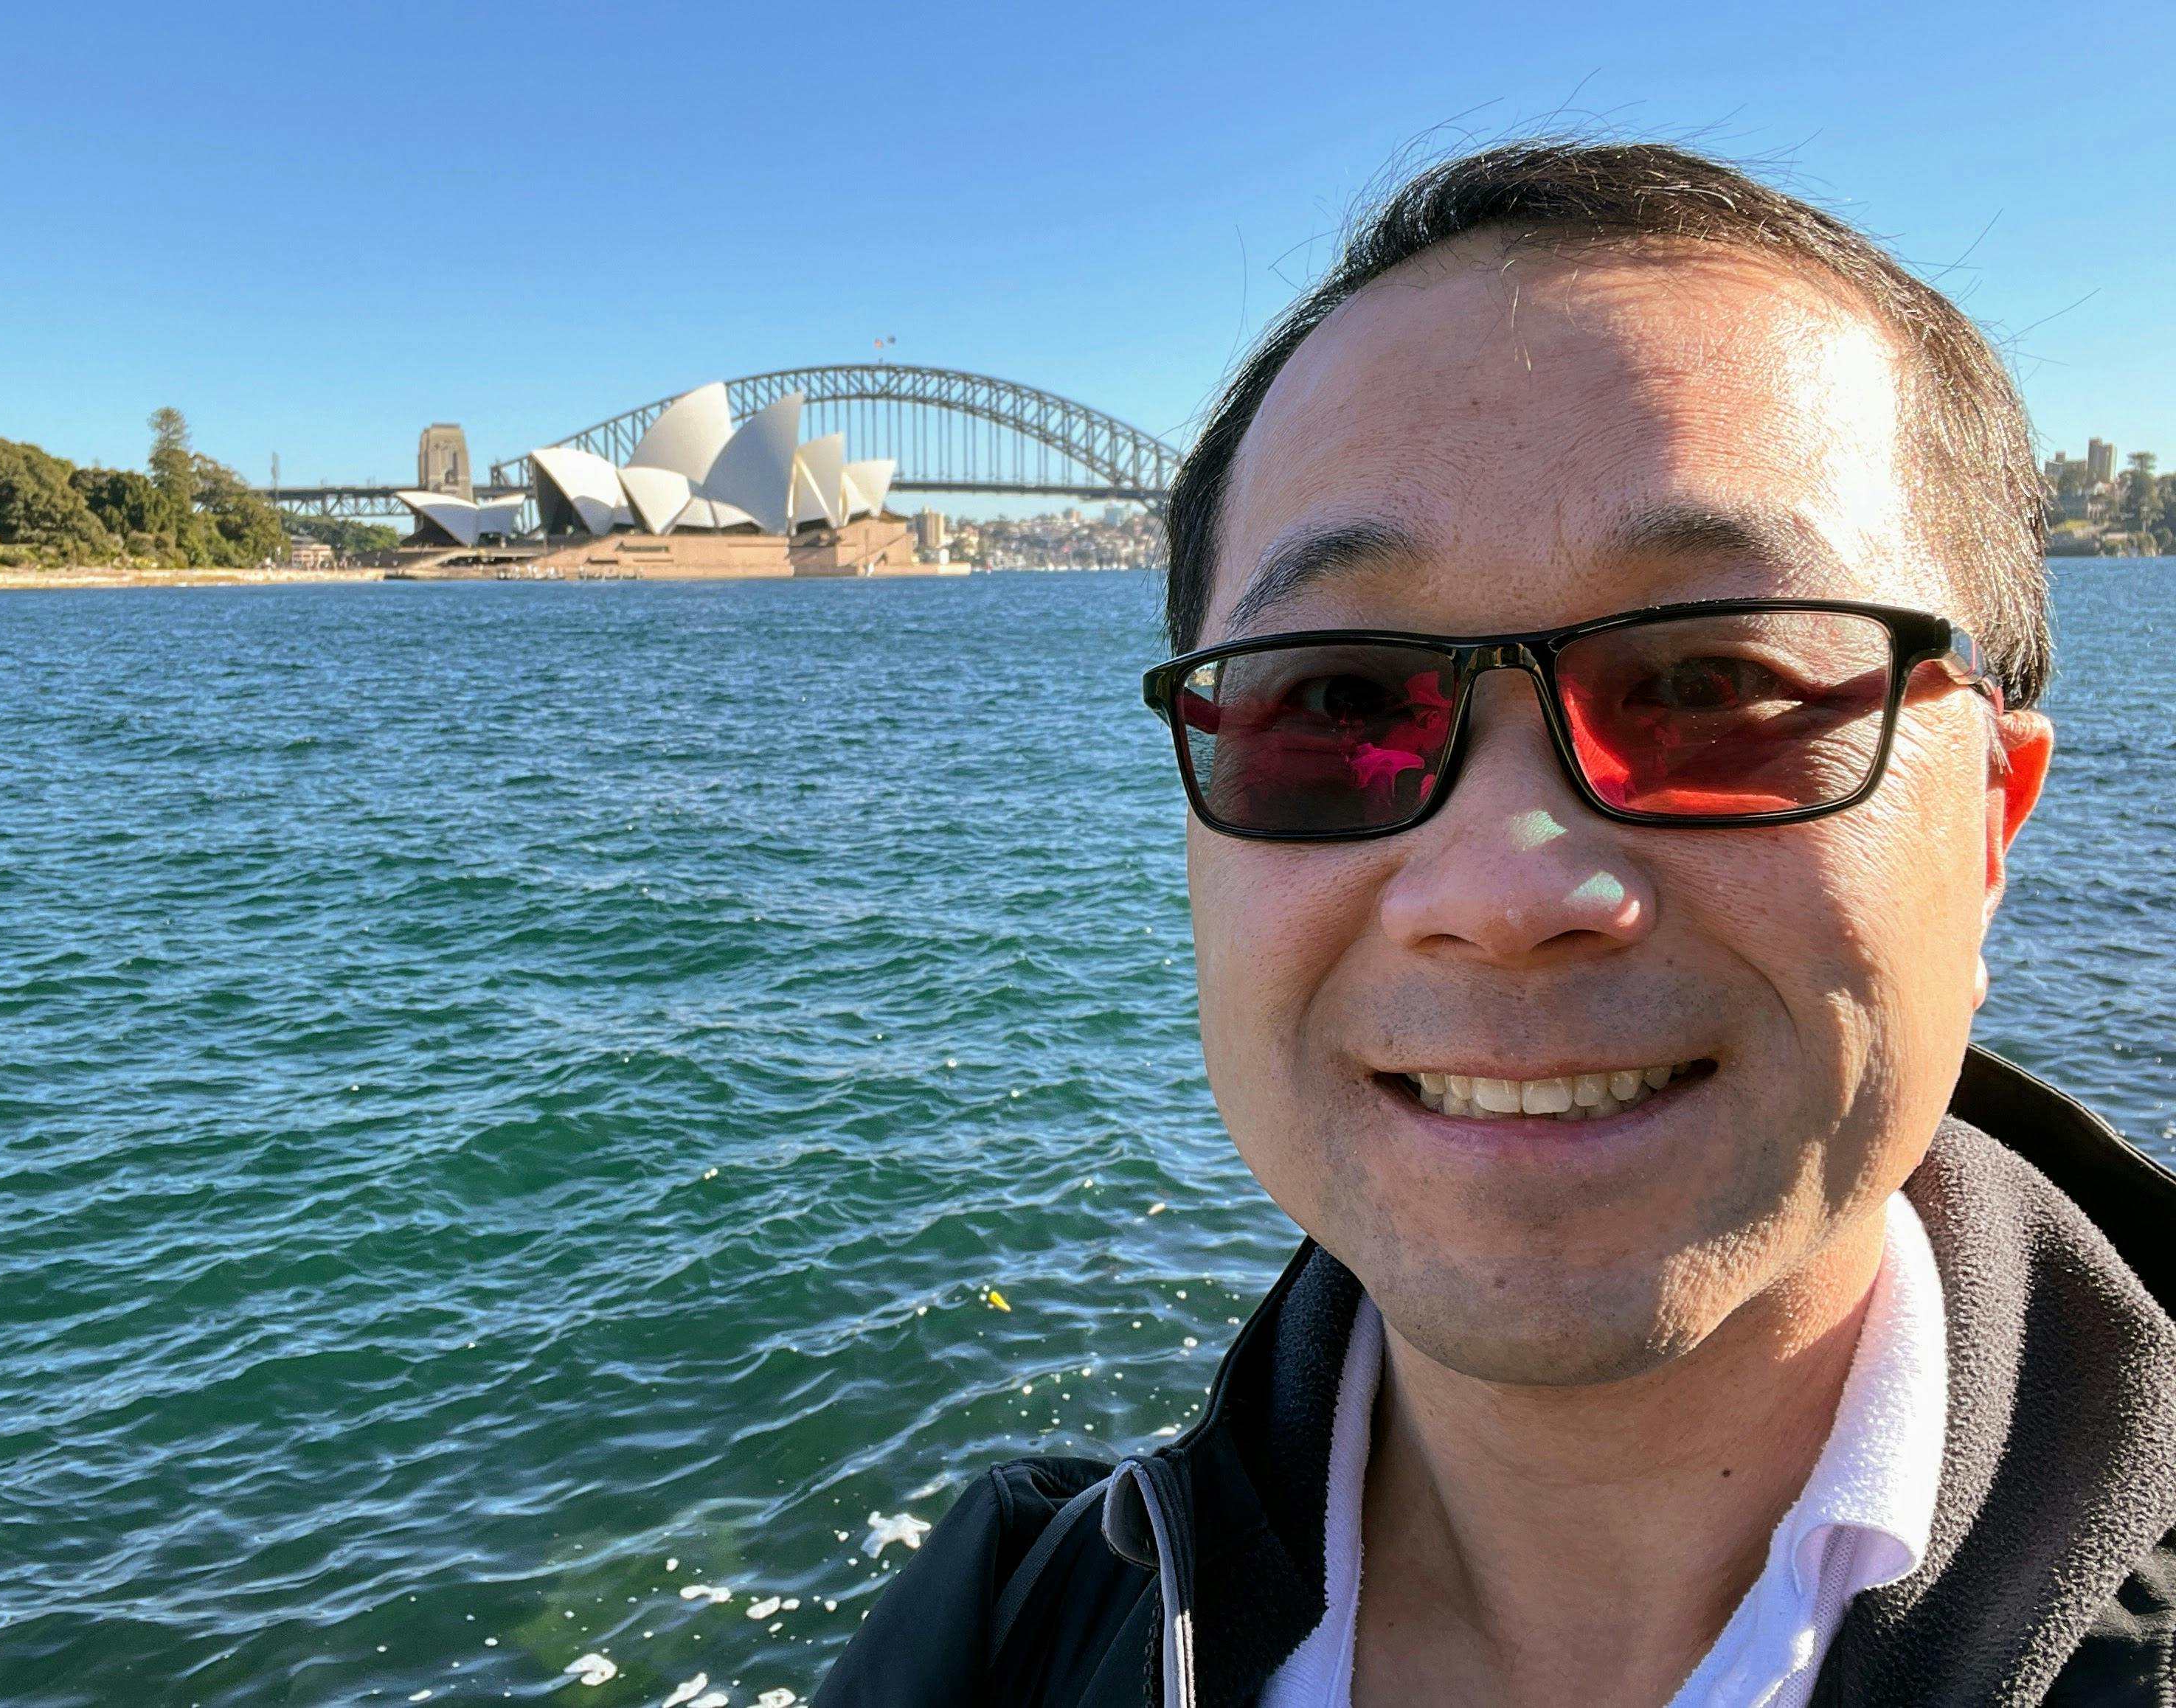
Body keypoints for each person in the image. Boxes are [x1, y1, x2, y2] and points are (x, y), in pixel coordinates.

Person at [812, 140, 2176, 1708]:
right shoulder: (1005, 1631)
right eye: (1331, 702)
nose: (1503, 894)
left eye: (1710, 688)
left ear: (1990, 818)